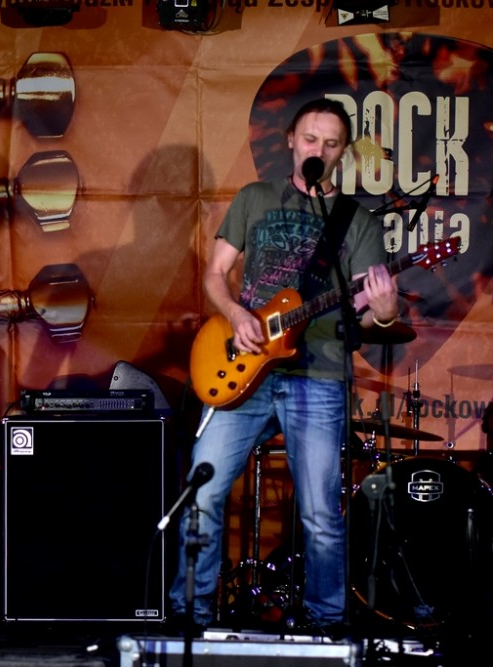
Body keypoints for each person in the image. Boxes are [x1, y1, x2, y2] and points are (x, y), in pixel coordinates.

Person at [168, 98, 399, 636]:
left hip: (318, 374)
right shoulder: (255, 198)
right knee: (202, 493)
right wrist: (236, 315)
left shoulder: (357, 221)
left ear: (342, 152)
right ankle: (190, 615)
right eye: (311, 139)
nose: (319, 150)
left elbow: (370, 313)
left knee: (319, 511)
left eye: (331, 143)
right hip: (243, 366)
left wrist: (386, 311)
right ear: (292, 140)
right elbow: (215, 275)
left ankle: (326, 623)